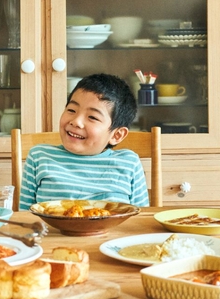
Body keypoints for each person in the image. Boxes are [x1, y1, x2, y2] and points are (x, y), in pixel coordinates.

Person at [18, 73, 149, 208]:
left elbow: (141, 217)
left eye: (92, 117)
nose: (76, 122)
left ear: (117, 135)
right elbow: (25, 216)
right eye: (71, 110)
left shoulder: (129, 163)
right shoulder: (39, 157)